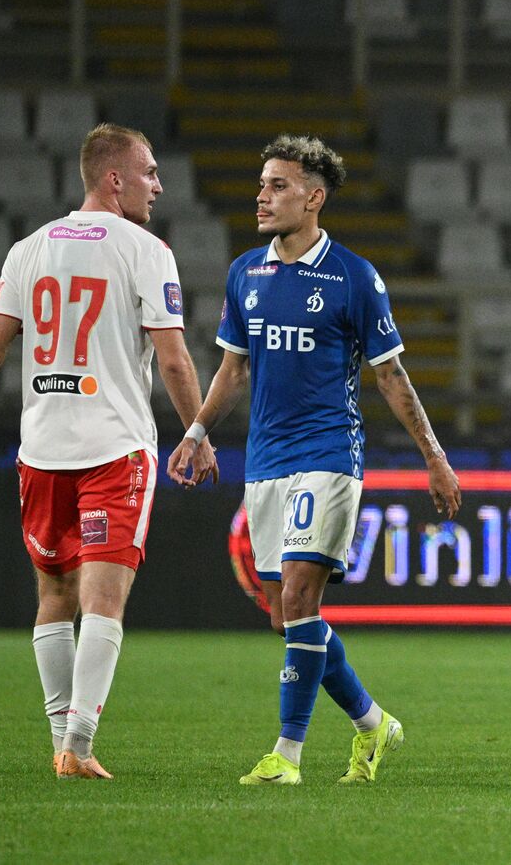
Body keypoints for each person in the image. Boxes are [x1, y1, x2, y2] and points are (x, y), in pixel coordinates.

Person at [0, 123, 216, 779]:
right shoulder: (145, 250)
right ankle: (77, 746)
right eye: (150, 172)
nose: (159, 186)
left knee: (54, 592)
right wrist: (196, 430)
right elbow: (172, 360)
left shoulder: (29, 249)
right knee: (103, 599)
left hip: (42, 449)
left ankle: (64, 743)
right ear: (114, 179)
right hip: (114, 448)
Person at [168, 134, 461, 786]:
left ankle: (287, 754)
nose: (262, 196)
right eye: (261, 185)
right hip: (266, 460)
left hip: (329, 453)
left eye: (277, 185)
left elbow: (392, 378)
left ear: (314, 196)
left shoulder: (353, 277)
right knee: (286, 616)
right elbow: (232, 370)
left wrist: (434, 458)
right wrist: (195, 429)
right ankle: (373, 722)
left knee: (301, 594)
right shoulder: (247, 272)